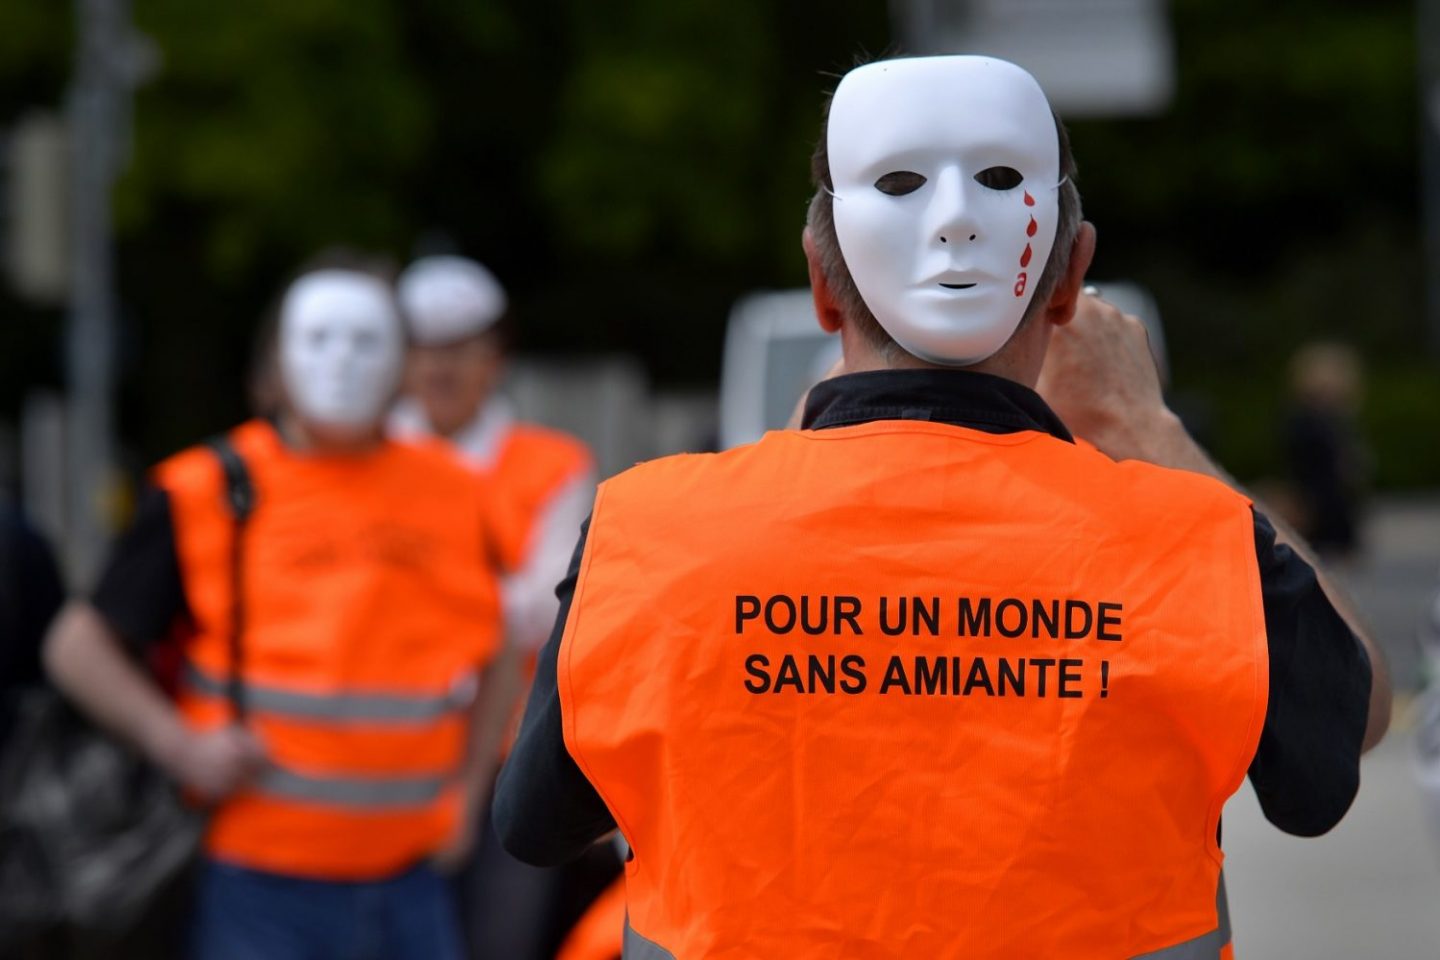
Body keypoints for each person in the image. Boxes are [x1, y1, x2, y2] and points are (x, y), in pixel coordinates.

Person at [492, 55, 1389, 958]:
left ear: (819, 283)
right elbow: (1346, 730)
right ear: (1072, 277)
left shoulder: (647, 535)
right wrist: (1148, 430)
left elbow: (536, 822)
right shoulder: (1199, 542)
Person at [43, 263, 520, 960]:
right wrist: (178, 746)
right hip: (257, 883)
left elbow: (499, 645)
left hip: (412, 879)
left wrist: (472, 797)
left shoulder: (455, 492)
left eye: (366, 341)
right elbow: (76, 645)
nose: (343, 362)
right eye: (319, 338)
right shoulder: (205, 487)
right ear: (277, 358)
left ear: (400, 361)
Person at [390, 254, 601, 960]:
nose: (437, 370)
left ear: (495, 359)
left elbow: (544, 607)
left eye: (457, 350)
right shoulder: (366, 459)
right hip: (388, 760)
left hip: (511, 760)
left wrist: (412, 593)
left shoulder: (552, 464)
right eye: (421, 350)